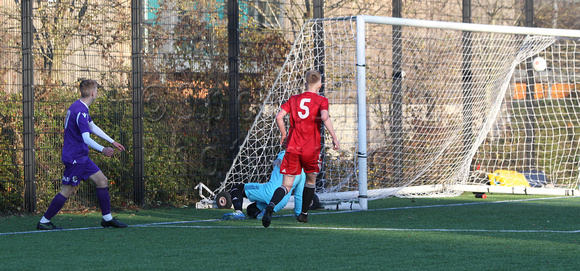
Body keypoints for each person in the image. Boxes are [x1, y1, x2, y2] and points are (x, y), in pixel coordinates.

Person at [36, 79, 127, 230]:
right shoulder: (80, 111)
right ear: (92, 93)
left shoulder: (79, 106)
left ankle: (107, 219)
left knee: (102, 181)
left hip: (81, 157)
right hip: (75, 158)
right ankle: (44, 221)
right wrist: (103, 149)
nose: (97, 93)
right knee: (67, 190)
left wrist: (111, 141)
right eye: (96, 90)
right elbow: (86, 137)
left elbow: (92, 126)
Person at [262, 70, 339, 228]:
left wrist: (284, 134)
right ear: (320, 85)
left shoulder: (294, 99)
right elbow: (324, 117)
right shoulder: (321, 100)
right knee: (310, 182)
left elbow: (279, 117)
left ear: (305, 84)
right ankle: (304, 214)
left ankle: (270, 206)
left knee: (286, 185)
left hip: (293, 148)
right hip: (311, 149)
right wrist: (334, 137)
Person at [222, 150, 307, 220]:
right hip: (280, 203)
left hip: (269, 192)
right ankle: (261, 213)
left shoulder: (285, 154)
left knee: (237, 188)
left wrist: (277, 161)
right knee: (251, 209)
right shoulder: (302, 173)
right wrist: (298, 214)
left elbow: (279, 160)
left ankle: (239, 213)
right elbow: (298, 195)